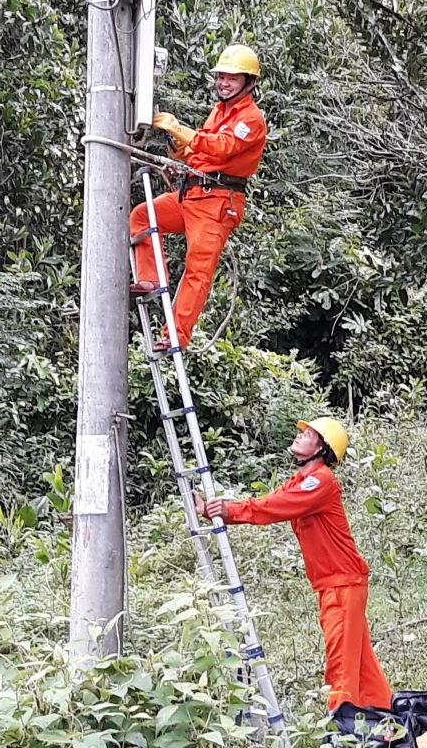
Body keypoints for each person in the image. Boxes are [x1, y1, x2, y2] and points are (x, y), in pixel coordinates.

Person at [195, 417, 392, 713]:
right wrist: (217, 511)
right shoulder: (299, 482)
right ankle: (387, 716)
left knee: (341, 667)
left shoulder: (320, 480)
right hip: (337, 584)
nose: (300, 436)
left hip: (342, 585)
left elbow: (275, 507)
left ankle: (341, 726)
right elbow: (271, 501)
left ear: (322, 449)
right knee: (362, 666)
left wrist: (228, 510)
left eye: (309, 434)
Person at [130, 44, 266, 350]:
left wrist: (181, 130)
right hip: (192, 195)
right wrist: (180, 152)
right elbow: (201, 153)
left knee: (198, 269)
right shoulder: (219, 111)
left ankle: (175, 335)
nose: (224, 83)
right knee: (142, 216)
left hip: (217, 203)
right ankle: (151, 278)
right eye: (221, 77)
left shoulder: (251, 119)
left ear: (248, 82)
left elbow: (222, 147)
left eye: (232, 78)